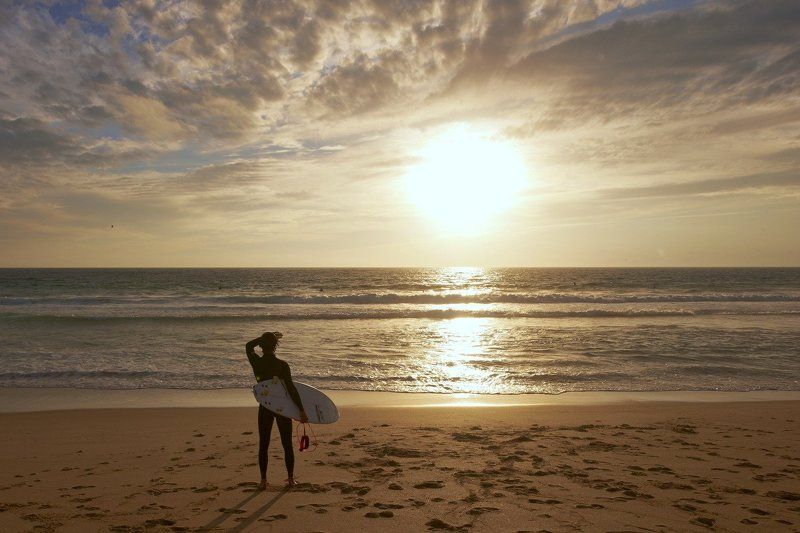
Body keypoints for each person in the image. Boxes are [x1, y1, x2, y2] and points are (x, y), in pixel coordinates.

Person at [245, 331, 308, 489]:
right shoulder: (282, 365)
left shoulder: (256, 363)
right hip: (282, 408)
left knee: (264, 444)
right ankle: (291, 479)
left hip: (265, 406)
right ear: (276, 346)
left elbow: (248, 346)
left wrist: (264, 339)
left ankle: (263, 481)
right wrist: (301, 410)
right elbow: (291, 389)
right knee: (286, 443)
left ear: (261, 346)